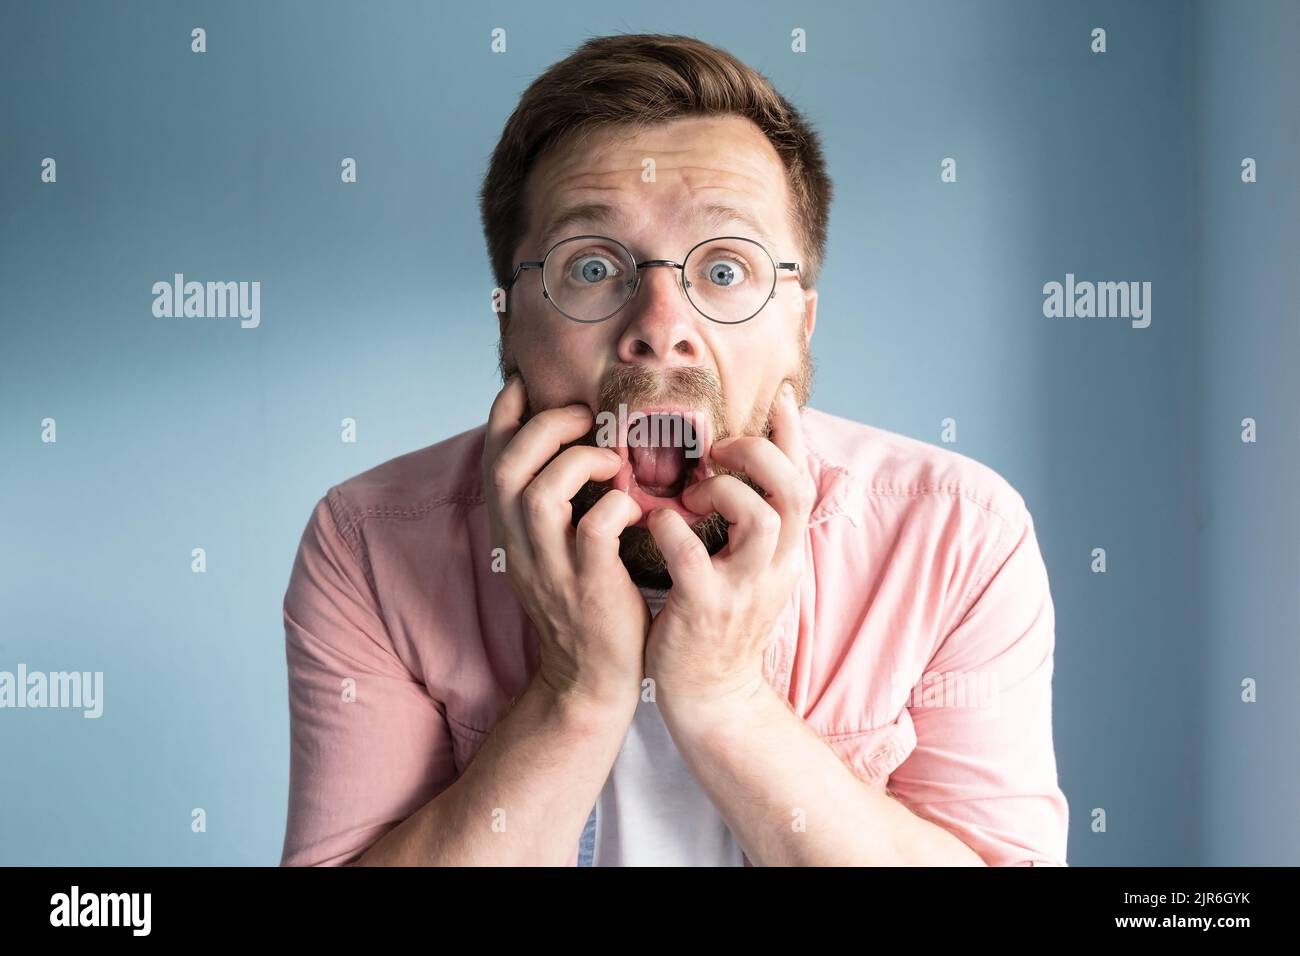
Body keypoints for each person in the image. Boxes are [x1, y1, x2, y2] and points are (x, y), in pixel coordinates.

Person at [279, 33, 1068, 867]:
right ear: (507, 314)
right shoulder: (368, 543)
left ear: (801, 324)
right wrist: (574, 693)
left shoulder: (958, 537)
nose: (660, 328)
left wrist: (726, 700)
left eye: (725, 271)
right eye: (591, 268)